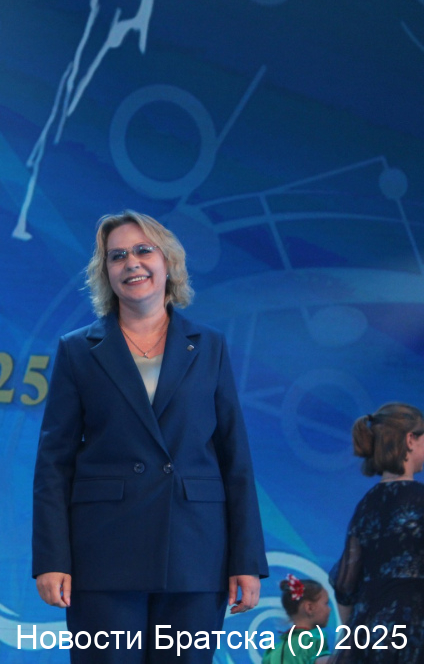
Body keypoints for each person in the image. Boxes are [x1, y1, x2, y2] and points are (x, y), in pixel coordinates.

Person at [32, 210, 268, 663]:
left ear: (168, 261)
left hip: (195, 553)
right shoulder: (77, 351)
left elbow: (234, 457)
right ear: (105, 272)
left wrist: (247, 560)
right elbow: (53, 466)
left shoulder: (210, 346)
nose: (131, 263)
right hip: (104, 554)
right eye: (117, 256)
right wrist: (52, 558)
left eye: (143, 250)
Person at [329, 403, 424, 664]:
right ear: (410, 439)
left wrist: (350, 638)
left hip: (366, 634)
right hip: (413, 631)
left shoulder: (366, 505)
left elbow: (345, 585)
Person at [262, 575, 332, 664]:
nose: (330, 609)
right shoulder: (314, 640)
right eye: (326, 603)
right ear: (309, 608)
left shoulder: (273, 651)